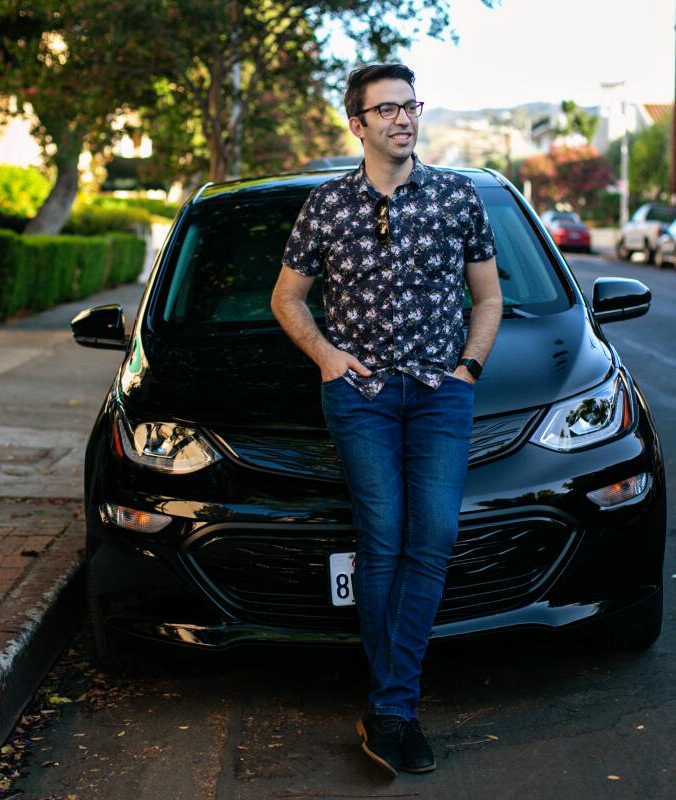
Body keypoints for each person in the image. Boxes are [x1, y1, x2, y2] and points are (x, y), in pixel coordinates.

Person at [270, 63, 502, 777]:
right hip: (361, 397)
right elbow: (286, 298)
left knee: (433, 537)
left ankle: (388, 707)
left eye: (412, 106)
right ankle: (396, 708)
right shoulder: (329, 205)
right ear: (358, 123)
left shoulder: (458, 198)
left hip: (440, 394)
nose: (404, 118)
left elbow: (489, 298)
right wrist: (326, 356)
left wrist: (468, 371)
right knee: (384, 539)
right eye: (388, 109)